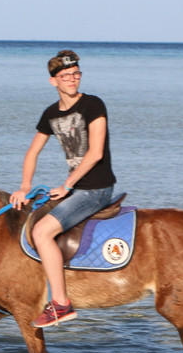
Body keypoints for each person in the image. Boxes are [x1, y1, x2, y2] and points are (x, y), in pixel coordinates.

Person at [9, 50, 116, 328]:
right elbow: (32, 152)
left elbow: (95, 154)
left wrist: (67, 185)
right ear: (53, 81)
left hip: (96, 189)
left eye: (76, 74)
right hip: (75, 188)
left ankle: (61, 303)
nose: (72, 79)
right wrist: (24, 187)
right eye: (65, 76)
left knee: (42, 232)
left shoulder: (93, 105)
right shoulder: (51, 114)